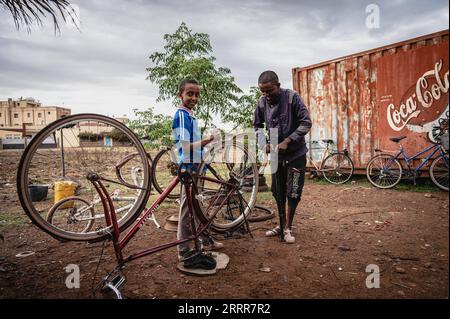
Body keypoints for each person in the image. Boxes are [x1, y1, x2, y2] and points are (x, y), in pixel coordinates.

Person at [253, 71, 312, 244]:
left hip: (296, 154)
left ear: (278, 86)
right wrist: (264, 144)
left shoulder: (292, 98)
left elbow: (306, 122)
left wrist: (288, 140)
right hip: (276, 156)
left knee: (293, 191)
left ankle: (288, 227)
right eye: (262, 92)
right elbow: (257, 126)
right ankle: (281, 223)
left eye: (269, 91)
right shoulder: (262, 103)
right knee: (277, 191)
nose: (266, 95)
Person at [172, 78, 224, 270]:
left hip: (195, 166)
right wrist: (207, 141)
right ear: (180, 95)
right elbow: (184, 147)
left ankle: (205, 239)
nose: (194, 97)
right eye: (190, 94)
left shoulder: (190, 115)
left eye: (196, 94)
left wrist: (205, 146)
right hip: (187, 168)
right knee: (187, 209)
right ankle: (183, 250)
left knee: (197, 206)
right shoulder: (181, 116)